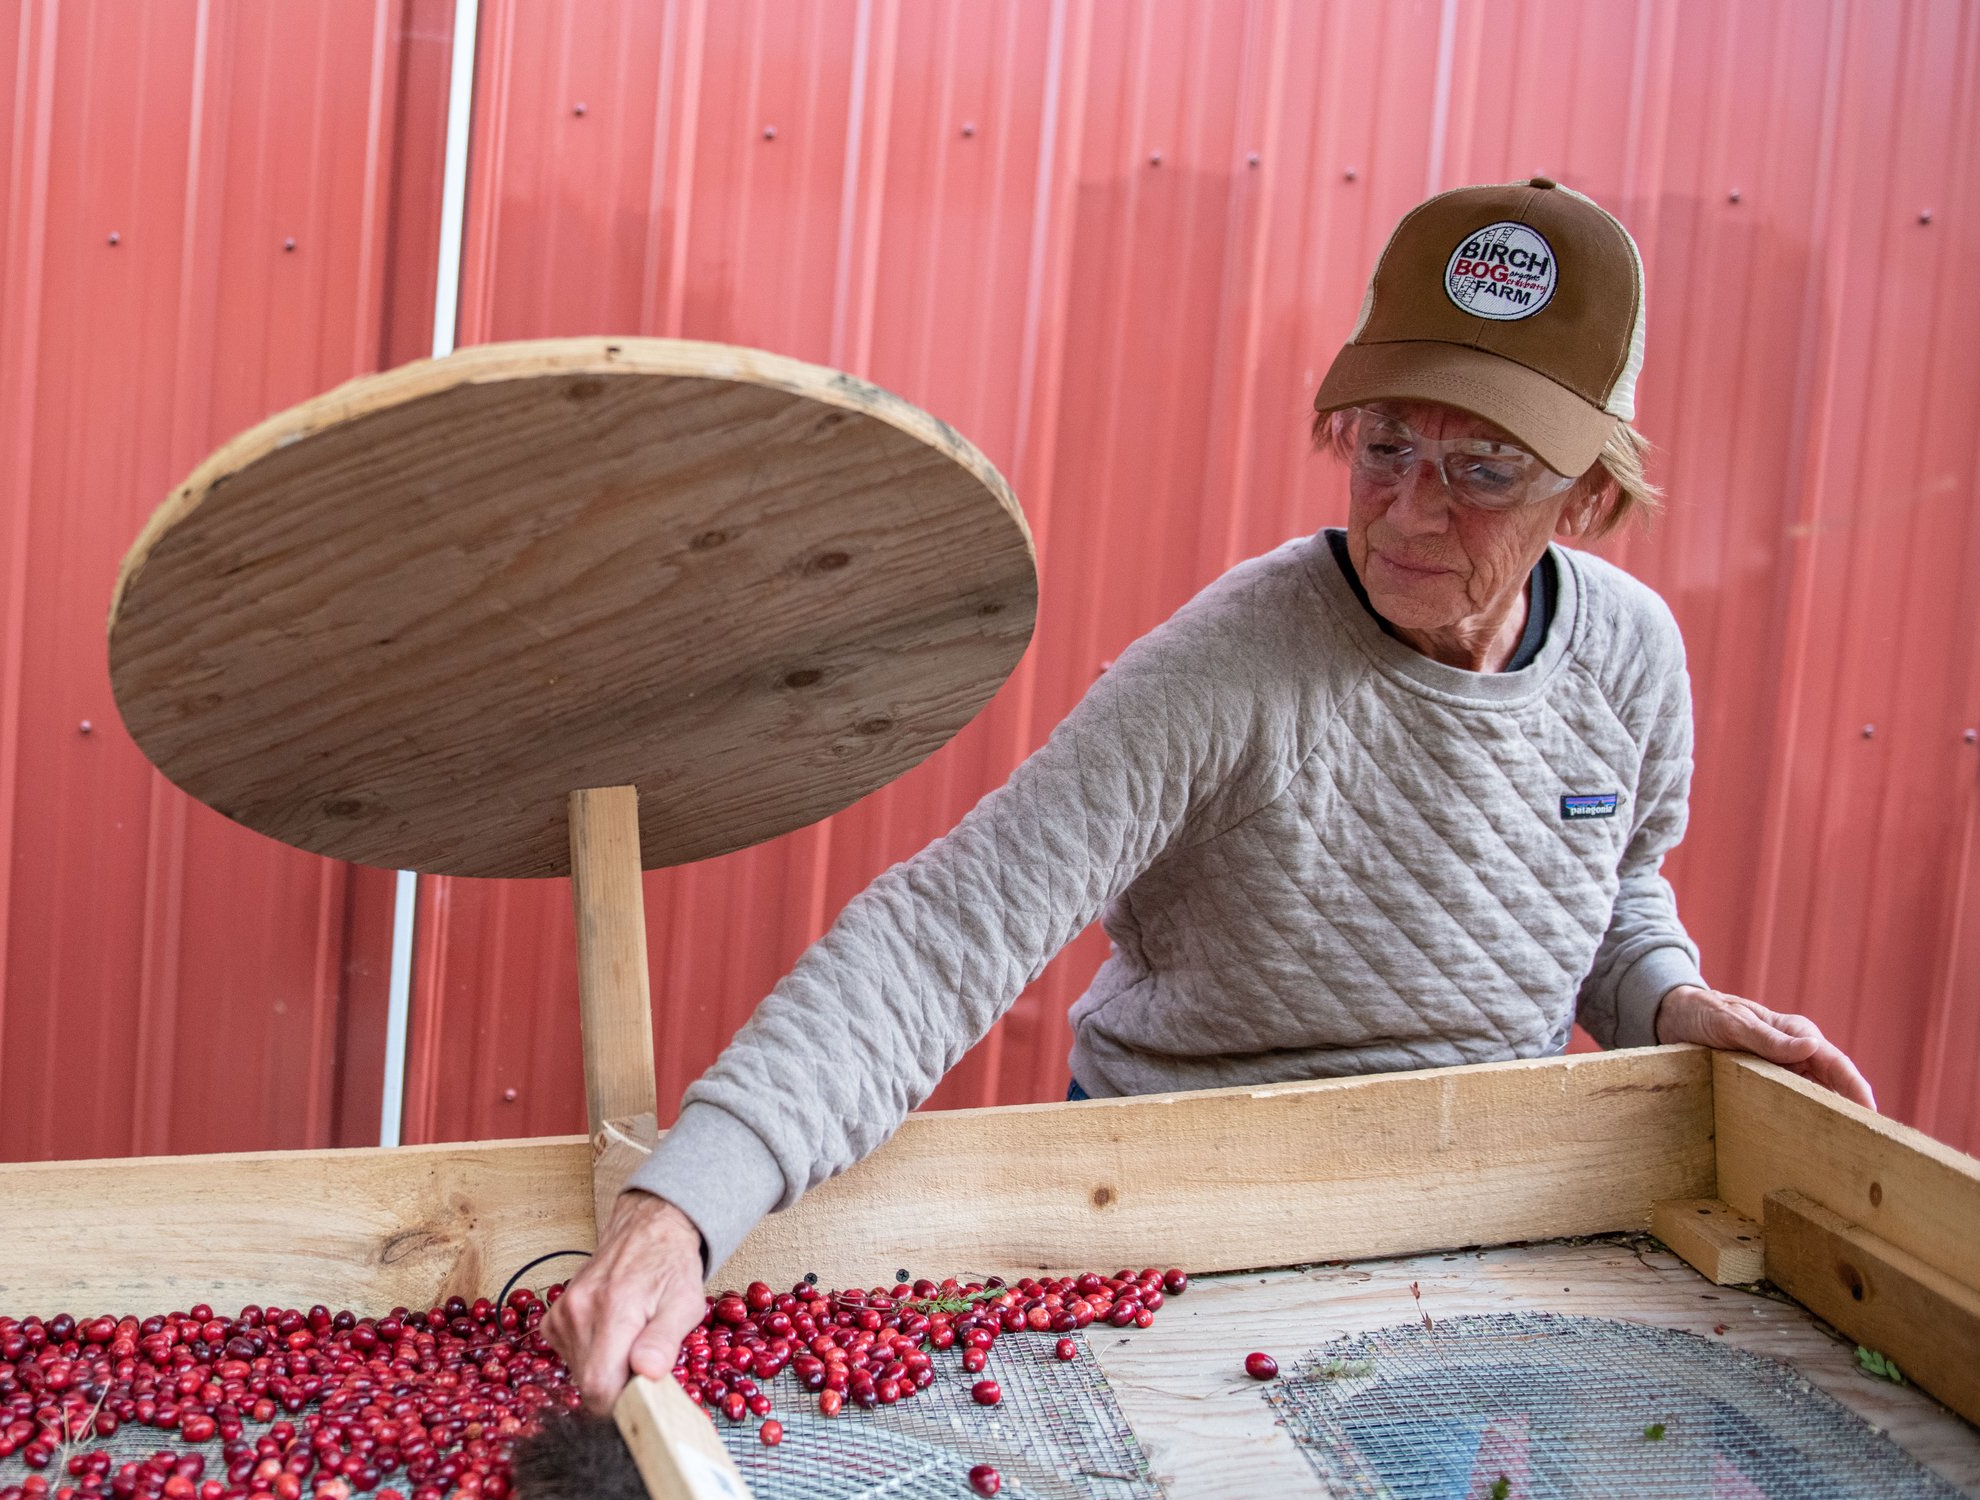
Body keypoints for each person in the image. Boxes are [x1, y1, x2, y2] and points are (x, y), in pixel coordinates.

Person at [547, 177, 1874, 1414]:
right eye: (1385, 442)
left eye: (1483, 470)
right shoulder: (1230, 669)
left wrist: (1667, 996)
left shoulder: (1629, 656)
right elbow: (952, 928)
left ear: (1587, 493)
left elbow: (1607, 875)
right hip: (1164, 1219)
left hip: (1451, 1222)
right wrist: (684, 1214)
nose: (1410, 508)